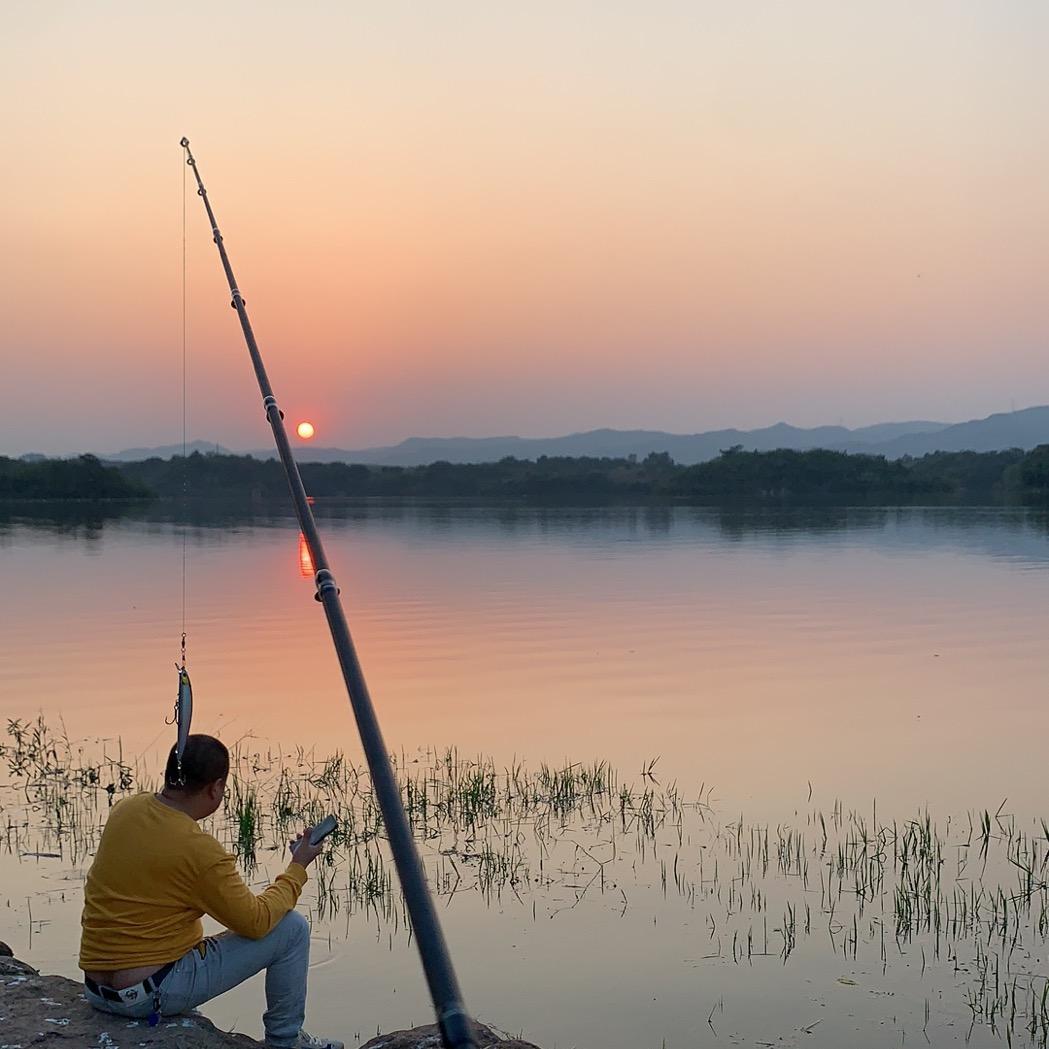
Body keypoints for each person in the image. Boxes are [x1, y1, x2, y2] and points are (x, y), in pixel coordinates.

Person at [79, 733, 343, 1049]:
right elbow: (256, 922)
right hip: (146, 997)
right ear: (215, 787)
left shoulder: (125, 810)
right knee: (293, 928)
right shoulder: (200, 851)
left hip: (96, 992)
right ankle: (285, 1041)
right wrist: (297, 867)